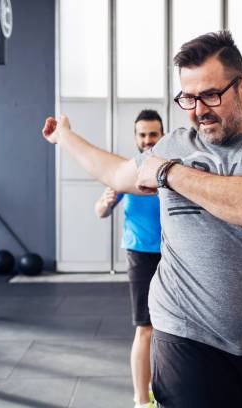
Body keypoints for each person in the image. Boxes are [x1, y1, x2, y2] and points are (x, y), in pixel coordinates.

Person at [42, 31, 242, 408]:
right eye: (188, 98)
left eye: (210, 95)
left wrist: (168, 173)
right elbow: (118, 172)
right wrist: (66, 138)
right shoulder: (174, 144)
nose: (199, 109)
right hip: (184, 336)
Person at [94, 109, 164, 408]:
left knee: (174, 329)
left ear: (162, 135)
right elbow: (100, 210)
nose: (148, 140)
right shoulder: (127, 170)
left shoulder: (172, 169)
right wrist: (107, 202)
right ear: (136, 137)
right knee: (146, 328)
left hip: (175, 254)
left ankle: (165, 393)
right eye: (143, 134)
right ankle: (141, 400)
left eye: (153, 134)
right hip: (141, 254)